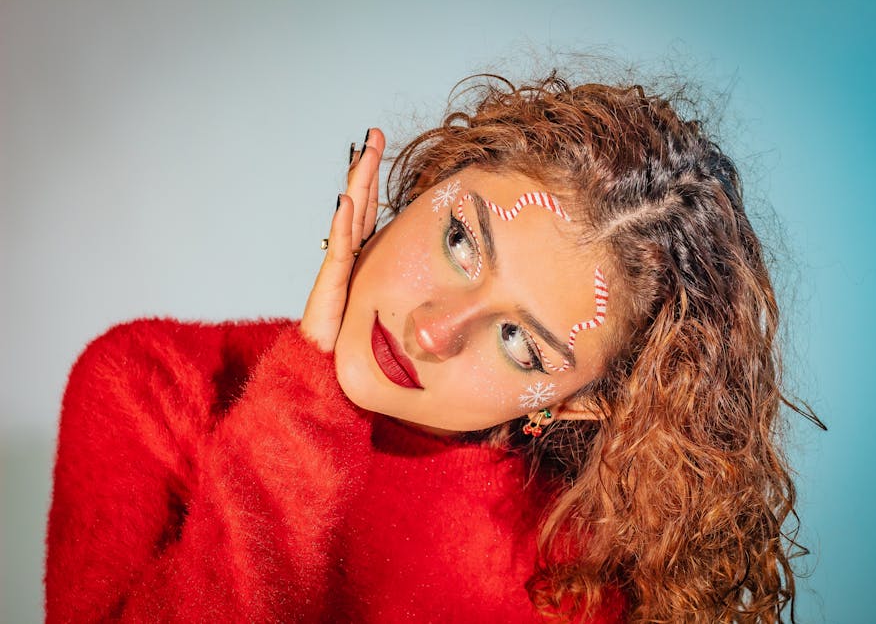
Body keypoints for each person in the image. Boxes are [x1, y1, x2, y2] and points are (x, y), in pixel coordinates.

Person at [45, 72, 817, 622]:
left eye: (520, 342)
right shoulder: (151, 385)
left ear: (573, 403)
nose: (433, 329)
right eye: (460, 240)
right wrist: (297, 415)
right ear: (429, 180)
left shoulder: (572, 579)